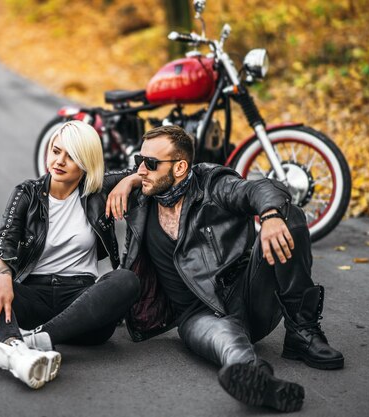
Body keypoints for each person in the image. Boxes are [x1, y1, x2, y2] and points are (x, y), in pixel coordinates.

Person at [105, 125, 344, 412]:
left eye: (150, 163)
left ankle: (303, 331)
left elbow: (260, 188)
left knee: (289, 217)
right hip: (197, 317)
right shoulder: (144, 193)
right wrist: (127, 180)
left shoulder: (211, 184)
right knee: (230, 348)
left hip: (246, 293)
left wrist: (269, 216)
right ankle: (261, 382)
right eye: (138, 162)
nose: (142, 169)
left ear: (180, 167)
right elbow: (87, 179)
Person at [0, 120, 140, 389]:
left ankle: (19, 344)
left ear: (86, 162)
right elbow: (4, 238)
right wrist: (3, 276)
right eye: (56, 151)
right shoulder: (28, 193)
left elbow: (146, 171)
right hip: (34, 300)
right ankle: (18, 352)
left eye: (71, 156)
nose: (59, 161)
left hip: (82, 305)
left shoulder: (98, 190)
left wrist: (128, 182)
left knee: (126, 280)